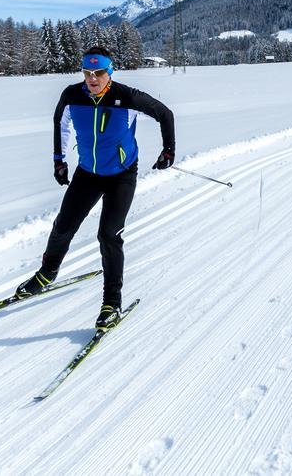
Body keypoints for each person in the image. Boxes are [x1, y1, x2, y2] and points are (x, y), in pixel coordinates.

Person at [15, 46, 175, 330]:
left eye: (98, 72)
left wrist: (168, 151)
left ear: (109, 72)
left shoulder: (126, 97)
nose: (92, 78)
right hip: (88, 172)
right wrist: (58, 160)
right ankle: (46, 274)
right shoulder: (72, 95)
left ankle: (111, 303)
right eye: (87, 72)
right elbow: (60, 124)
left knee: (108, 235)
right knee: (63, 225)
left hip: (121, 175)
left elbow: (165, 113)